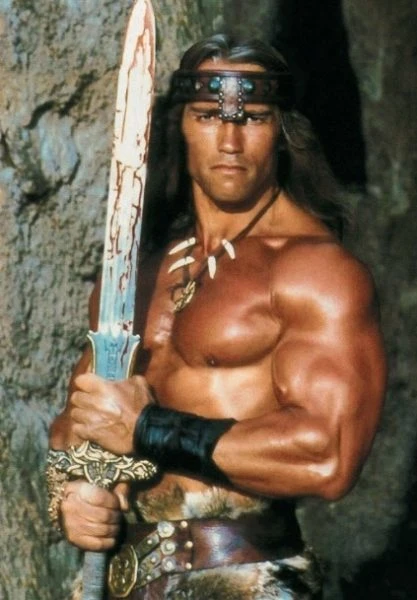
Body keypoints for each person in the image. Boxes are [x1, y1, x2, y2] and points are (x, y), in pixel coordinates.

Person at [48, 34, 387, 600]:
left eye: (252, 118)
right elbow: (79, 419)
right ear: (180, 126)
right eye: (207, 116)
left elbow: (329, 455)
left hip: (244, 579)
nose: (230, 142)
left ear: (282, 131)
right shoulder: (137, 275)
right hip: (120, 581)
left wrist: (148, 429)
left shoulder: (315, 272)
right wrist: (74, 494)